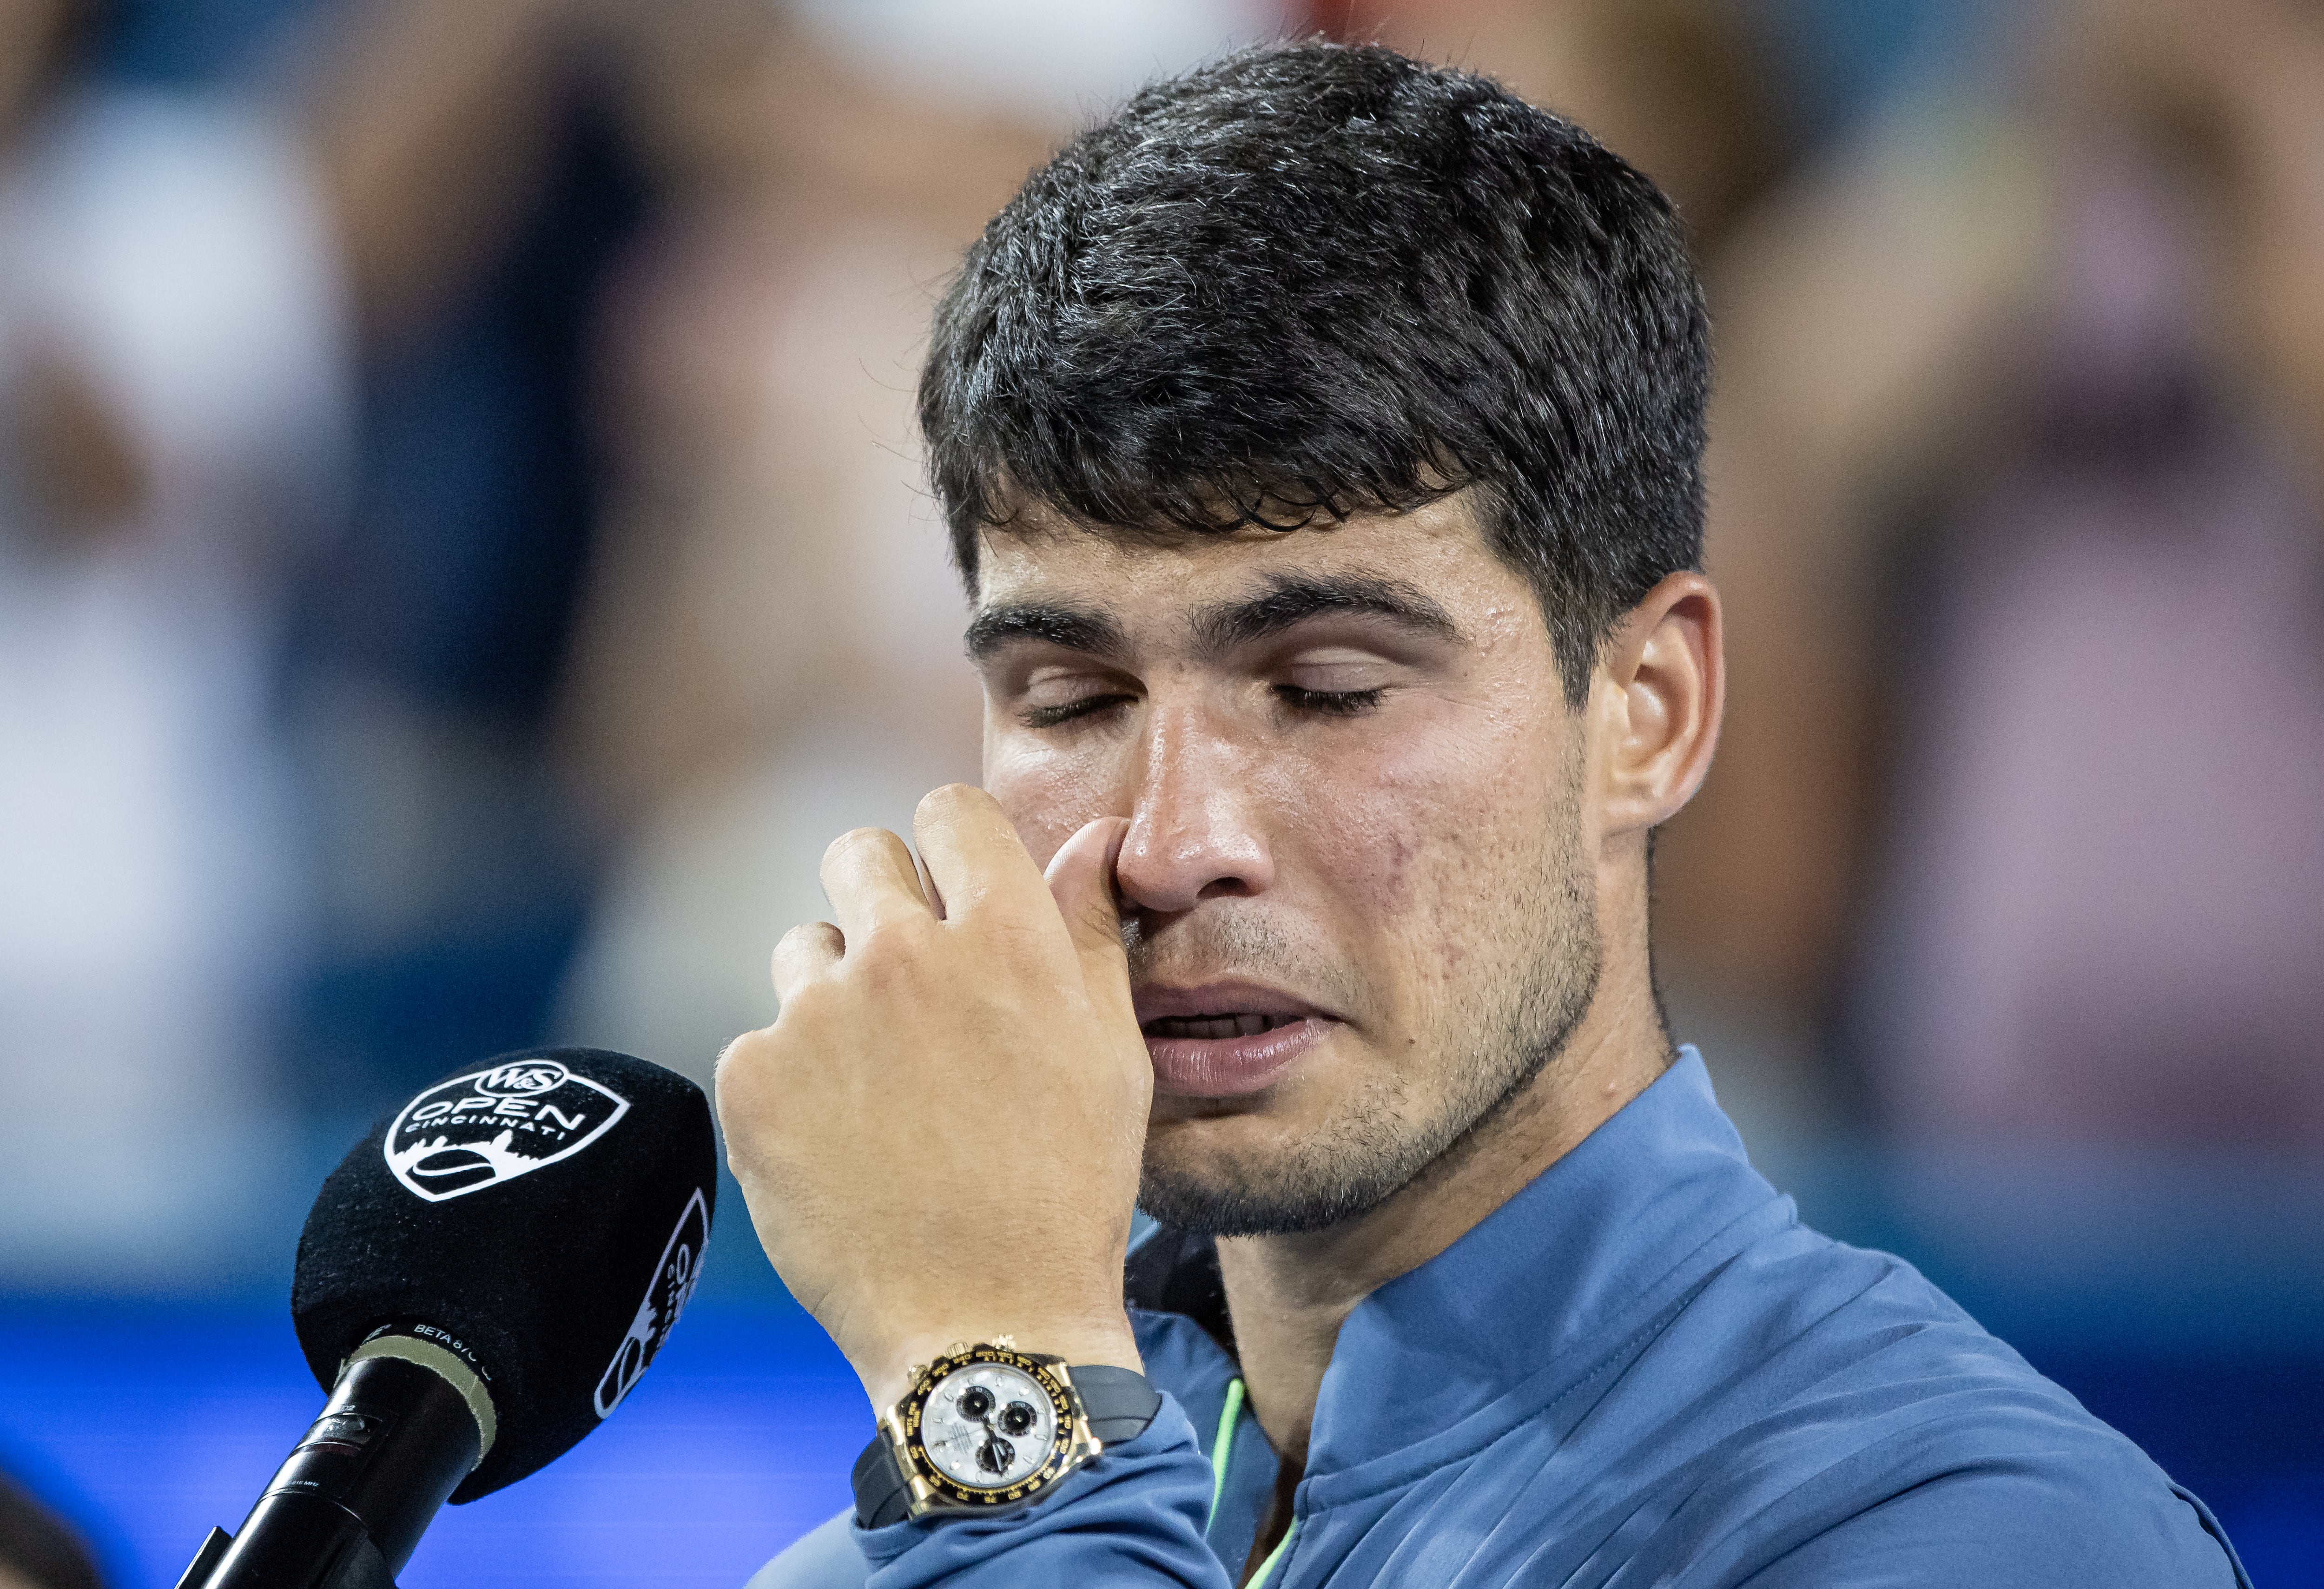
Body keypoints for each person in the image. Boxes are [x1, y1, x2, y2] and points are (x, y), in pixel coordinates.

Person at [716, 41, 2248, 1588]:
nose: (1174, 844)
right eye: (1073, 698)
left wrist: (997, 1374)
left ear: (1650, 708)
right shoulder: (903, 1551)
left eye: (1325, 686)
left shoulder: (1988, 1535)